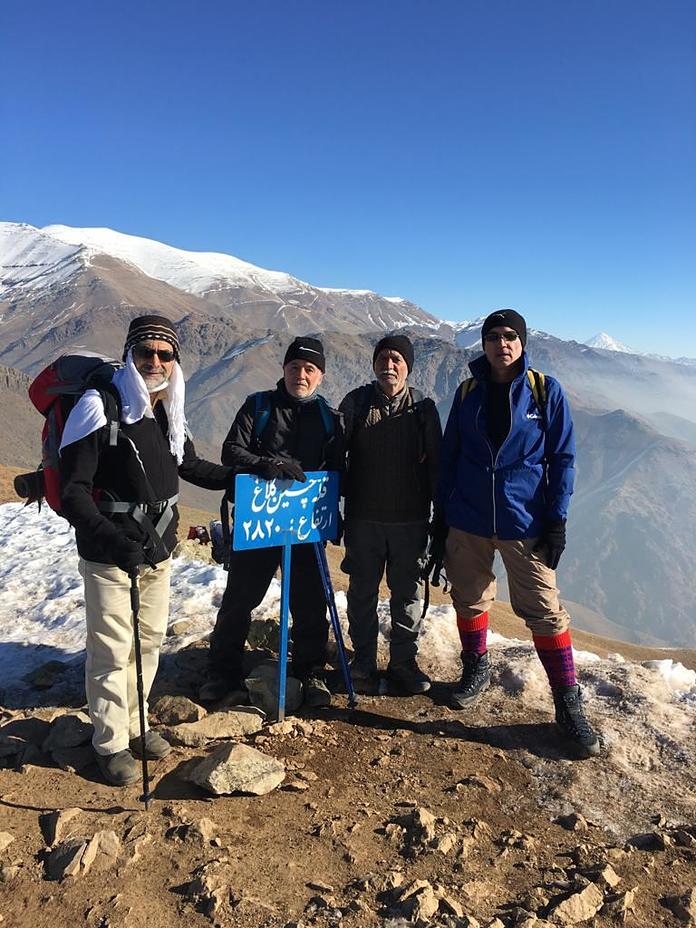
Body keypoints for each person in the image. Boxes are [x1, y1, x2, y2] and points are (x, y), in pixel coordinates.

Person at [60, 315, 235, 786]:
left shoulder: (165, 410)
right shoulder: (101, 407)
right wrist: (113, 540)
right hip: (110, 552)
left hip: (157, 549)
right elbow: (72, 492)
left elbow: (191, 465)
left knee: (149, 640)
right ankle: (110, 742)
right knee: (113, 648)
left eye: (165, 354)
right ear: (129, 355)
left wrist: (250, 474)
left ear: (176, 360)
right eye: (146, 352)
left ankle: (136, 725)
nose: (155, 361)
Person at [435, 309, 600, 757]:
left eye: (510, 336)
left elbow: (562, 459)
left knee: (545, 611)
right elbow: (449, 457)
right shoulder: (467, 392)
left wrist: (556, 520)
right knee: (469, 599)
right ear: (484, 344)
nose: (502, 344)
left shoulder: (545, 392)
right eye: (493, 337)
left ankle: (568, 703)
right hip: (467, 519)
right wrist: (440, 518)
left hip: (523, 521)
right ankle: (475, 667)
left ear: (523, 343)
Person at [200, 337, 344, 708]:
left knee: (311, 601)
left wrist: (332, 514)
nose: (301, 374)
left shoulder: (329, 418)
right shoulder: (258, 406)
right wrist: (264, 465)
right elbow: (231, 449)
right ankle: (222, 671)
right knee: (240, 599)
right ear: (283, 369)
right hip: (258, 521)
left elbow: (337, 467)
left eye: (309, 369)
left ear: (321, 376)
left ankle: (309, 671)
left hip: (304, 526)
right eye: (295, 366)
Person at [339, 334, 442, 694]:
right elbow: (336, 459)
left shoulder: (423, 410)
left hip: (410, 522)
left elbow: (436, 469)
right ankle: (363, 659)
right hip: (363, 520)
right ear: (374, 364)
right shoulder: (355, 404)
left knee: (408, 594)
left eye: (397, 360)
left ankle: (403, 662)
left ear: (408, 367)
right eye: (383, 359)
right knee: (361, 593)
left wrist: (439, 520)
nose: (389, 366)